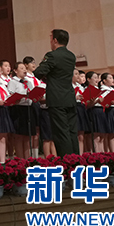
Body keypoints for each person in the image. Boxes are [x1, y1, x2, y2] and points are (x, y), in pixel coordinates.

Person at [33, 29, 79, 157]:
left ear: (55, 40)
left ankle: (67, 160)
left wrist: (48, 76)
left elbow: (39, 72)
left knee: (61, 132)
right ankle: (76, 159)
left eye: (51, 39)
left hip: (57, 98)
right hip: (69, 97)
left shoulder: (52, 55)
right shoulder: (71, 56)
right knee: (72, 131)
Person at [7, 62, 36, 159]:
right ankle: (20, 160)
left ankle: (28, 159)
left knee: (27, 137)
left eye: (25, 68)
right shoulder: (13, 82)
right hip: (18, 109)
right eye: (22, 68)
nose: (24, 70)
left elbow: (33, 93)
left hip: (28, 109)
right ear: (15, 71)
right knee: (19, 137)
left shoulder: (28, 82)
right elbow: (10, 95)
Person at [99, 73, 114, 153]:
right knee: (111, 133)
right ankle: (112, 152)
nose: (112, 80)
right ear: (104, 80)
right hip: (108, 111)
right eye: (110, 78)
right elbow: (103, 101)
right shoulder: (103, 90)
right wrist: (110, 102)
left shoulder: (113, 90)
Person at [85, 71, 106, 152]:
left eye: (97, 78)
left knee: (102, 135)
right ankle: (96, 154)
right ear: (88, 79)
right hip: (93, 111)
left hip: (101, 111)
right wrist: (96, 101)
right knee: (96, 136)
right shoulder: (87, 89)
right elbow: (87, 105)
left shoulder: (99, 90)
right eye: (94, 78)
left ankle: (102, 153)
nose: (97, 79)